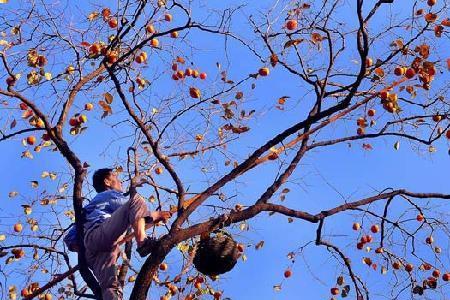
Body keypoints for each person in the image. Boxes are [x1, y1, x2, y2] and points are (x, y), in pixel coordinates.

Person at [83, 168, 171, 300]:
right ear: (107, 181)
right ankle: (143, 243)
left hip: (93, 251)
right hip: (99, 234)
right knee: (136, 200)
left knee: (110, 287)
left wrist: (154, 218)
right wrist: (156, 214)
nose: (120, 182)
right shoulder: (109, 195)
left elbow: (70, 240)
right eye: (116, 177)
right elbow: (132, 206)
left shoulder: (90, 208)